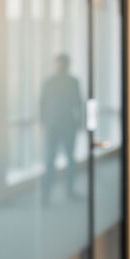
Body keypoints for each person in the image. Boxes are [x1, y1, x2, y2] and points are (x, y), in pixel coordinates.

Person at [40, 54, 83, 205]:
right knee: (49, 160)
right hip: (52, 127)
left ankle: (69, 190)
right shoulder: (49, 82)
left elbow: (79, 102)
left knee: (70, 159)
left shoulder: (73, 82)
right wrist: (43, 123)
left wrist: (80, 123)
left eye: (62, 64)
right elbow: (42, 103)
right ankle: (46, 194)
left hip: (68, 126)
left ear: (67, 65)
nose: (60, 66)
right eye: (58, 64)